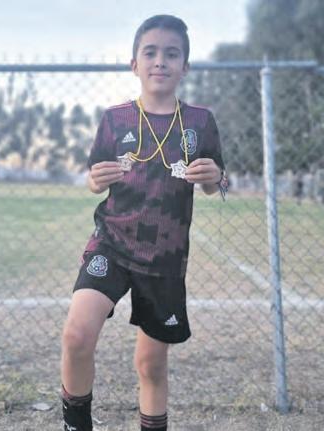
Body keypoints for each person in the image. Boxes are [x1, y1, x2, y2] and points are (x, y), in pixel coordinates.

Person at [60, 14, 227, 431]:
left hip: (164, 258)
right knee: (77, 336)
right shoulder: (114, 119)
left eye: (172, 54)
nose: (160, 61)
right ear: (134, 64)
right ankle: (75, 424)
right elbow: (93, 179)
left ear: (185, 66)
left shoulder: (200, 122)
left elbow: (216, 183)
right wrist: (95, 180)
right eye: (150, 52)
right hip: (112, 243)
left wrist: (215, 178)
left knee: (150, 364)